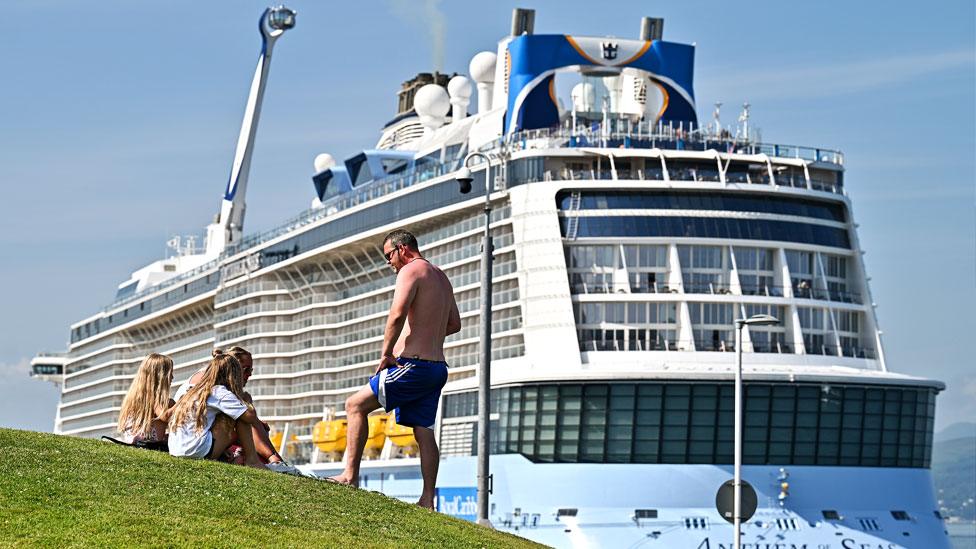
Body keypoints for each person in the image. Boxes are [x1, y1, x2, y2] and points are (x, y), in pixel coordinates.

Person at [329, 229, 461, 510]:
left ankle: (350, 476)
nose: (388, 263)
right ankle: (427, 499)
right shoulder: (441, 276)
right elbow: (454, 324)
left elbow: (397, 313)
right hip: (437, 368)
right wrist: (427, 332)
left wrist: (388, 352)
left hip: (413, 365)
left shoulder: (411, 270)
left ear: (402, 249)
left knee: (354, 406)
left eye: (388, 255)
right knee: (424, 431)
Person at [173, 346, 289, 469]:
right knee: (241, 416)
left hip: (178, 447)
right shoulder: (218, 390)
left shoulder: (202, 384)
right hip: (195, 449)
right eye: (246, 369)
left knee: (240, 414)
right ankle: (257, 460)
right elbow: (249, 416)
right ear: (234, 370)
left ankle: (253, 456)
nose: (249, 374)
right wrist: (247, 401)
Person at [117, 353, 175, 443]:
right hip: (147, 440)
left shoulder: (137, 396)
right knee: (170, 404)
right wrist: (183, 401)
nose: (172, 377)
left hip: (133, 438)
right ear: (161, 377)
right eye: (170, 374)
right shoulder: (155, 397)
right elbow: (164, 416)